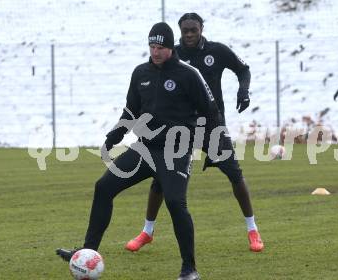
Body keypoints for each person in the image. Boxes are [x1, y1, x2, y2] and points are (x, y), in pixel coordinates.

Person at [56, 22, 223, 280]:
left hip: (174, 152)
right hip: (145, 149)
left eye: (160, 47)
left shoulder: (188, 74)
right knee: (104, 187)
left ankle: (189, 269)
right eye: (152, 46)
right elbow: (131, 111)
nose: (155, 52)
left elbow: (210, 112)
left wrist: (211, 147)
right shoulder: (140, 73)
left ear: (170, 47)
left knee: (176, 204)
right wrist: (113, 137)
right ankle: (87, 254)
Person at [124, 13, 264, 254]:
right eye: (185, 30)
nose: (189, 35)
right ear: (180, 31)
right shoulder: (172, 55)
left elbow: (244, 70)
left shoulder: (217, 51)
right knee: (160, 179)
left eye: (194, 30)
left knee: (234, 173)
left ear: (201, 29)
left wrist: (244, 91)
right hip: (178, 129)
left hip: (211, 126)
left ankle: (252, 229)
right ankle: (147, 232)